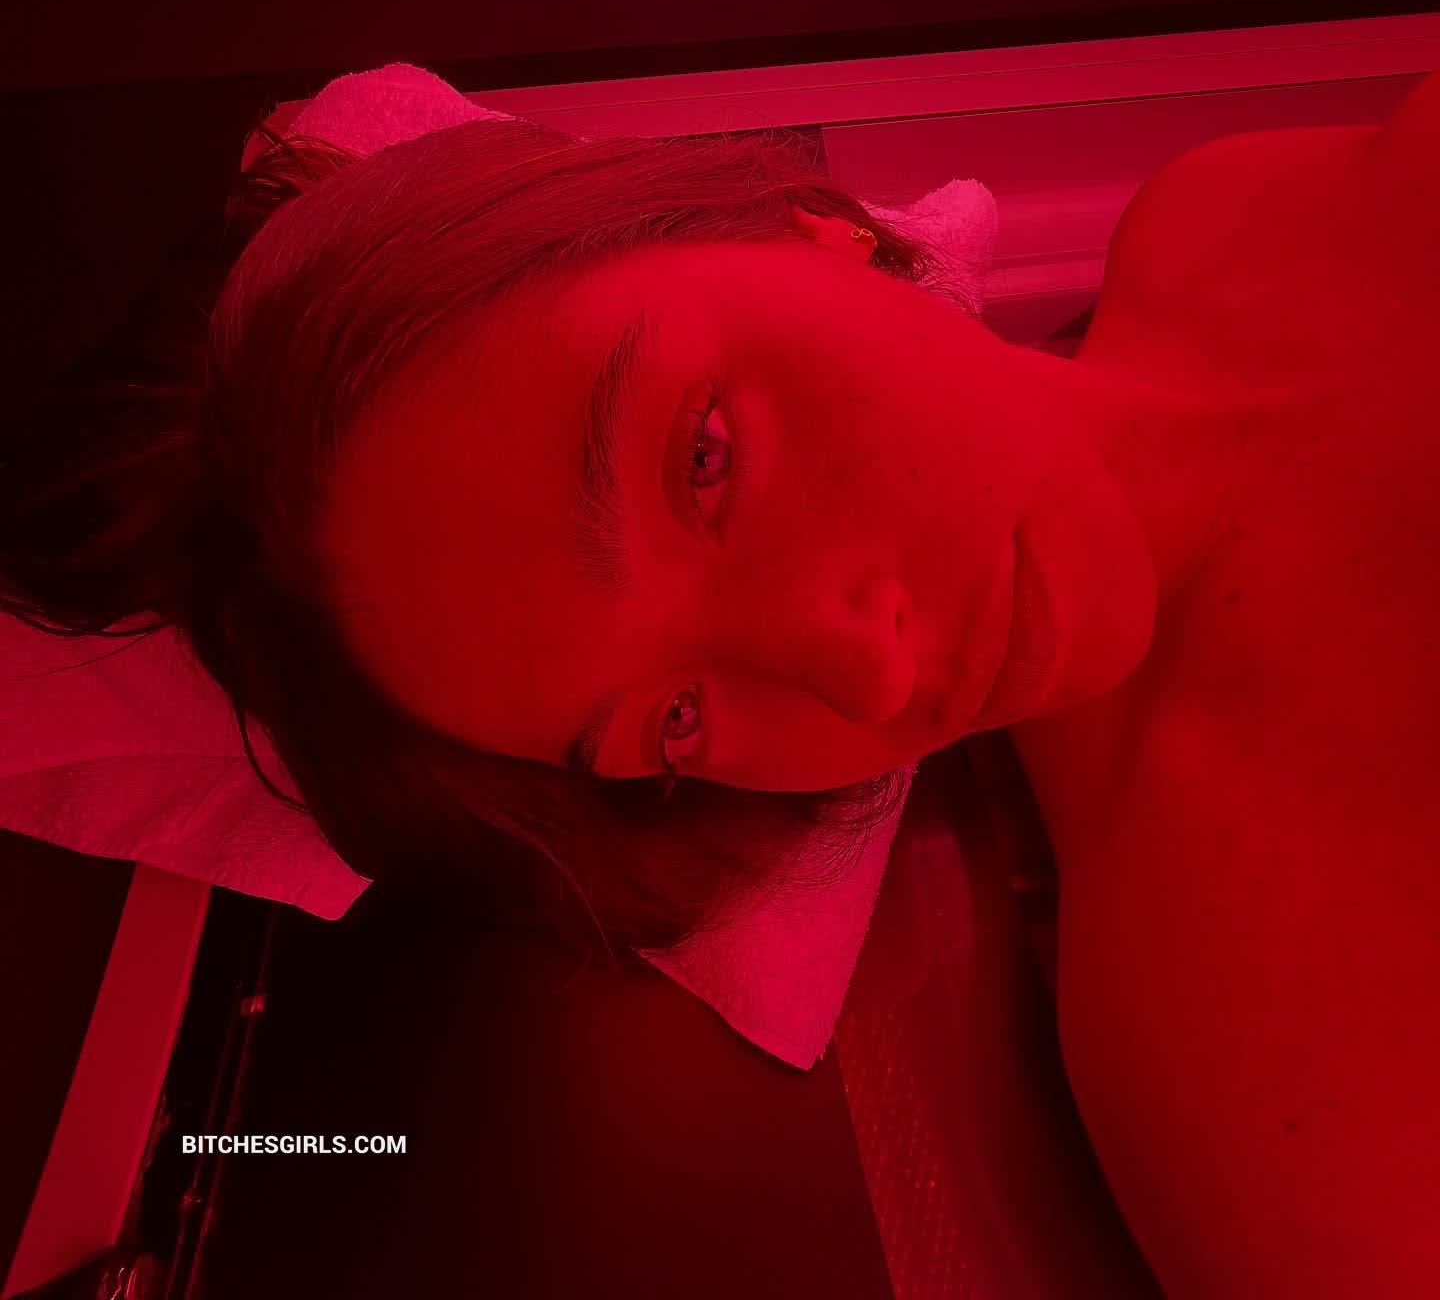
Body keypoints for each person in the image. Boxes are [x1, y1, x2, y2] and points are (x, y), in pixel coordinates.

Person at [3, 71, 1437, 1298]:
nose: (862, 670)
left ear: (800, 229)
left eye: (704, 460)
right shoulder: (1272, 1101)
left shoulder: (1235, 217)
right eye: (674, 723)